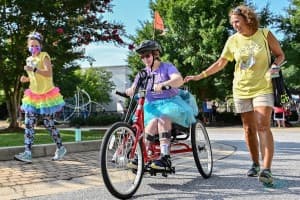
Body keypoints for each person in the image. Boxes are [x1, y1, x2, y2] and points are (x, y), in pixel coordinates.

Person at [184, 5, 285, 185]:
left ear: (247, 18)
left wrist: (274, 67)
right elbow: (221, 62)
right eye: (232, 23)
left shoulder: (264, 34)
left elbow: (280, 55)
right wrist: (201, 75)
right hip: (241, 89)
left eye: (237, 21)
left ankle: (266, 169)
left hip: (263, 87)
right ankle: (255, 163)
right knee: (248, 128)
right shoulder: (233, 40)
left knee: (262, 124)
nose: (235, 25)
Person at [126, 40, 197, 170]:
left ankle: (165, 158)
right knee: (152, 122)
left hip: (170, 102)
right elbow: (133, 87)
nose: (145, 59)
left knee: (163, 118)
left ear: (156, 54)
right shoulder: (142, 73)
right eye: (142, 57)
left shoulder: (167, 67)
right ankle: (140, 156)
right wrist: (130, 90)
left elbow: (178, 80)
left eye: (147, 56)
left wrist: (164, 84)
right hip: (151, 106)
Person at [14, 31, 66, 163]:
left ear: (41, 46)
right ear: (28, 46)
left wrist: (35, 70)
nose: (34, 48)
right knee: (29, 124)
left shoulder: (44, 56)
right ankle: (27, 153)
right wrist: (26, 78)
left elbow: (48, 73)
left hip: (46, 95)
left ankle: (60, 148)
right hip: (33, 95)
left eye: (36, 46)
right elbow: (33, 78)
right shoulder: (28, 59)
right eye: (31, 46)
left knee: (49, 124)